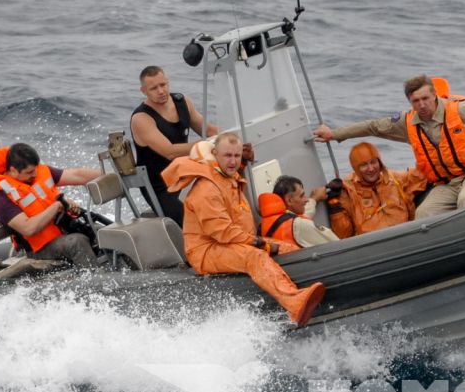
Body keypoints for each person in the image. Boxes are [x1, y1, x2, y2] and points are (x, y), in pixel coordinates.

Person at [314, 74, 465, 218]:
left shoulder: (461, 111)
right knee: (424, 213)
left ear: (435, 95)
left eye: (426, 98)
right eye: (416, 101)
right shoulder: (407, 123)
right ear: (410, 102)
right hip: (449, 183)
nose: (422, 105)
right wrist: (334, 134)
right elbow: (373, 126)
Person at [163, 132, 326, 326]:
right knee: (254, 256)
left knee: (288, 248)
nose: (232, 161)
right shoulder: (206, 189)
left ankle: (311, 291)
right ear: (215, 153)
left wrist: (262, 243)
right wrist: (260, 243)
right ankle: (295, 303)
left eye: (236, 156)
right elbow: (222, 232)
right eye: (227, 156)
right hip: (206, 251)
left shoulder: (228, 177)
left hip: (233, 242)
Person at [0, 143, 103, 267]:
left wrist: (111, 175)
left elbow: (77, 175)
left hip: (65, 230)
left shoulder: (39, 172)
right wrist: (56, 207)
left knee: (99, 231)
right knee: (77, 242)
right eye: (29, 172)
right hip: (38, 249)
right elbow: (28, 228)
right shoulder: (0, 197)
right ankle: (97, 281)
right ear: (13, 170)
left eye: (35, 169)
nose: (34, 174)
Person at [130, 65, 209, 222]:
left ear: (168, 82)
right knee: (191, 223)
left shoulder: (182, 101)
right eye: (154, 88)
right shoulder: (141, 118)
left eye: (163, 85)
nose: (161, 91)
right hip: (159, 186)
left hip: (184, 172)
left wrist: (230, 137)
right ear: (144, 91)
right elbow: (169, 151)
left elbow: (208, 129)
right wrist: (209, 145)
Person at [316, 142, 423, 239]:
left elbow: (421, 176)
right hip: (373, 246)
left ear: (379, 162)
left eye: (373, 162)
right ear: (355, 168)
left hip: (406, 237)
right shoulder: (347, 191)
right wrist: (334, 206)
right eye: (364, 165)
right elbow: (343, 235)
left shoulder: (395, 179)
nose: (371, 169)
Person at [258, 175, 340, 248]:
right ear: (289, 200)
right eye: (302, 196)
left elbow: (301, 215)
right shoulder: (299, 225)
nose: (306, 199)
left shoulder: (264, 226)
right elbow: (338, 245)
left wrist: (314, 199)